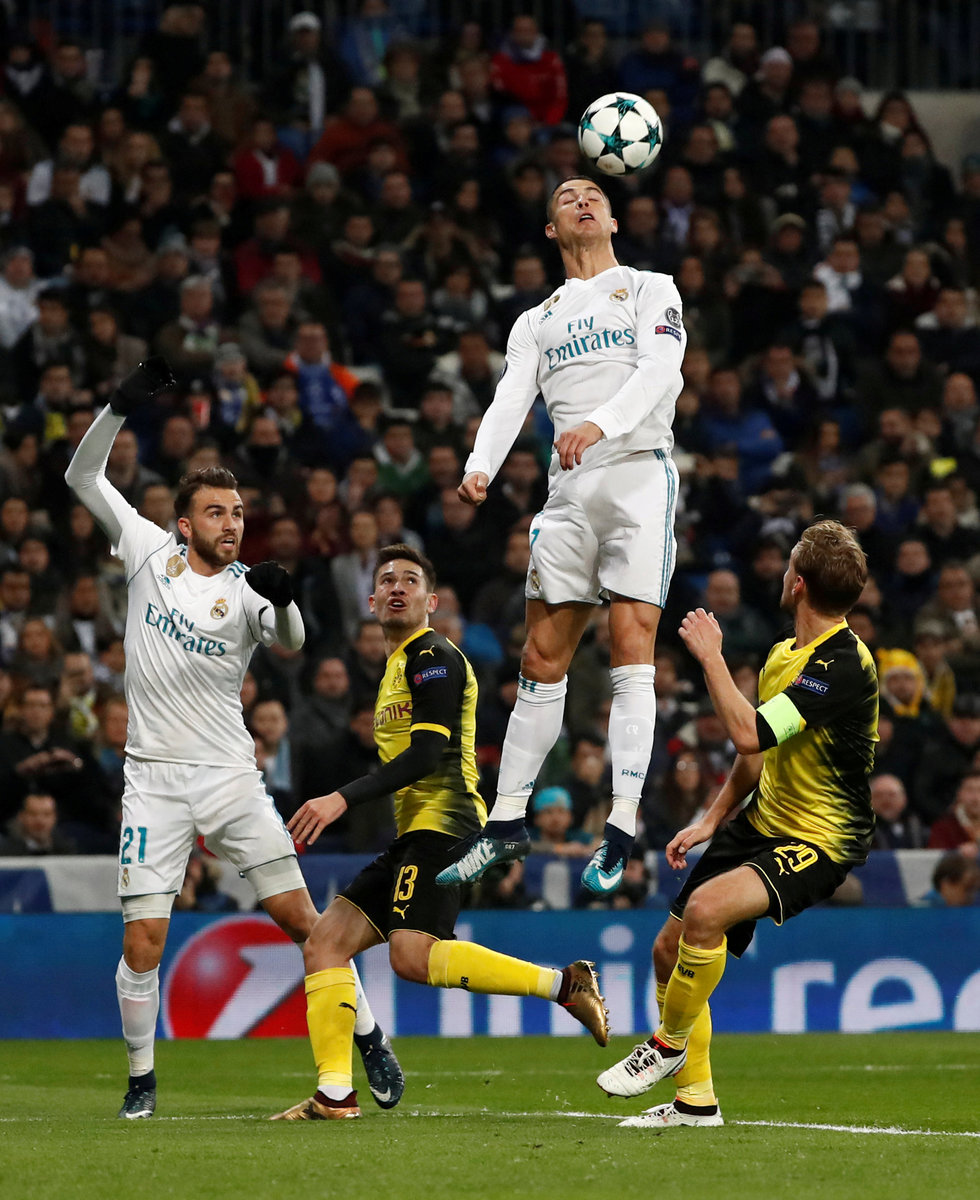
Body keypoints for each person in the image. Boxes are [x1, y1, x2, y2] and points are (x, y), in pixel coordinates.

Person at [64, 358, 402, 1120]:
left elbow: (292, 640)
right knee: (143, 942)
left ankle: (371, 1037)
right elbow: (82, 478)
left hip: (228, 779)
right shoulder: (146, 551)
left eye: (239, 512)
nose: (232, 523)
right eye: (217, 512)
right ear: (185, 524)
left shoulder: (250, 587)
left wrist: (285, 600)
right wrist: (117, 405)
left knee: (305, 923)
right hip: (153, 780)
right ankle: (142, 1082)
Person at [271, 544, 609, 1121]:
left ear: (431, 601)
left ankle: (563, 985)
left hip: (446, 825)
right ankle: (334, 1095)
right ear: (371, 601)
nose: (397, 588)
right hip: (414, 832)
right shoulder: (396, 667)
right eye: (387, 580)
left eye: (411, 580)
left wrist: (341, 798)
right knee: (325, 944)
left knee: (411, 956)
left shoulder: (434, 656)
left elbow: (428, 753)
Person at [437, 175, 686, 896]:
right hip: (569, 492)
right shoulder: (536, 319)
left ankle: (621, 826)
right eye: (567, 197)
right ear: (551, 229)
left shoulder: (650, 288)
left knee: (631, 649)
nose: (582, 200)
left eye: (594, 195)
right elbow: (510, 397)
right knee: (540, 658)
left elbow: (662, 371)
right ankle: (504, 824)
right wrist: (480, 465)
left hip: (637, 475)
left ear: (612, 219)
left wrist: (599, 424)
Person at [598, 520, 877, 1128]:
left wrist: (711, 659)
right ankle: (695, 1102)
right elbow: (757, 755)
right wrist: (711, 818)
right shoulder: (783, 655)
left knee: (705, 913)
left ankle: (667, 1044)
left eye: (789, 565)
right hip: (760, 822)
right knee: (667, 949)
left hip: (820, 840)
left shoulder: (845, 663)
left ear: (797, 584)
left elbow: (749, 732)